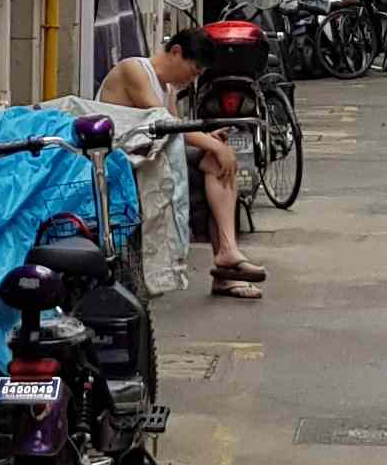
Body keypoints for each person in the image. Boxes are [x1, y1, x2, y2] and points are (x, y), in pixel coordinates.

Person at [100, 26, 268, 302]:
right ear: (176, 52)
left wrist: (209, 142)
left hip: (150, 159)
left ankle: (227, 258)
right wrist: (209, 143)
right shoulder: (134, 70)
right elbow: (164, 125)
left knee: (217, 160)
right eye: (194, 71)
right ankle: (226, 259)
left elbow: (176, 135)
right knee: (215, 154)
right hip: (122, 163)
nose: (192, 79)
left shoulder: (167, 89)